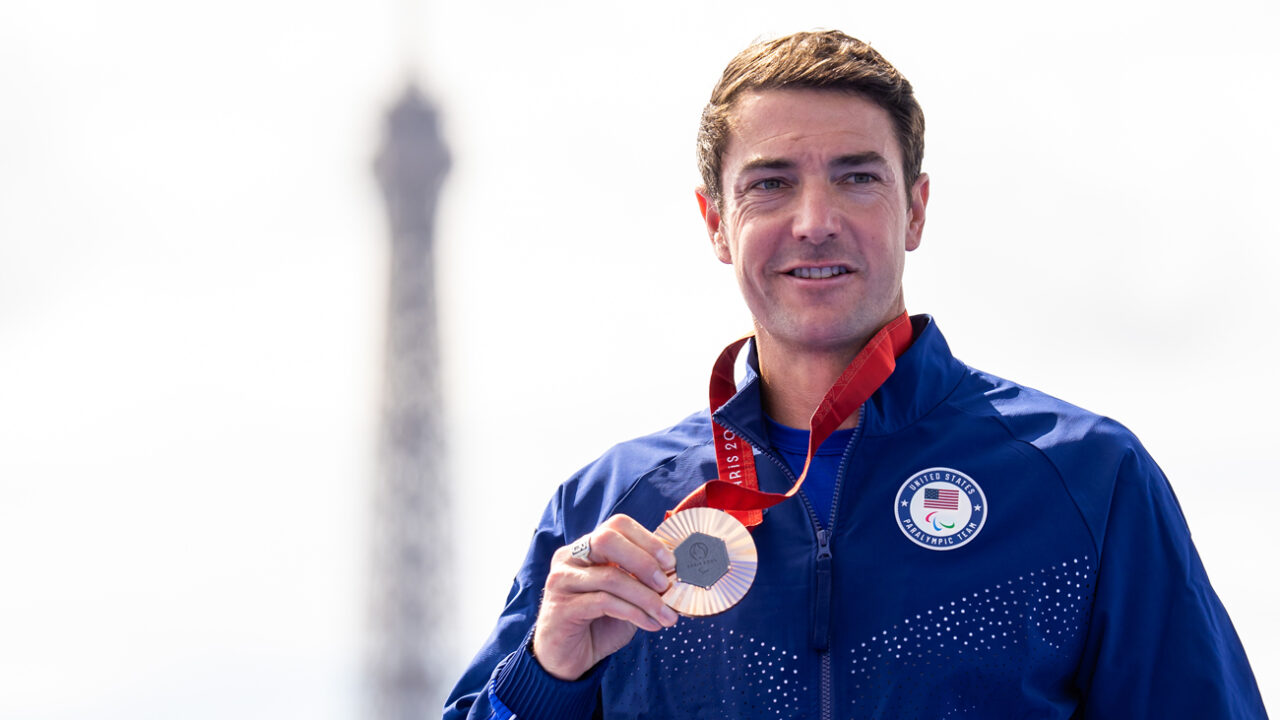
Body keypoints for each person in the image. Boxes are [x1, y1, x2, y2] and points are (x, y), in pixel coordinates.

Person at [444, 30, 1268, 719]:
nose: (815, 221)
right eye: (770, 184)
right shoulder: (612, 511)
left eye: (856, 177)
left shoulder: (1088, 481)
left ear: (915, 209)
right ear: (716, 223)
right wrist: (547, 676)